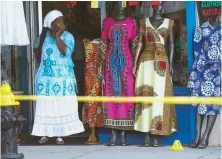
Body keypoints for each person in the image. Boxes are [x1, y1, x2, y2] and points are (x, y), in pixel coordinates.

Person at [32, 10, 84, 144]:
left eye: (62, 20)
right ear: (51, 23)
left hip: (63, 79)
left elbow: (65, 51)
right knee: (46, 106)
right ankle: (43, 134)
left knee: (61, 106)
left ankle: (60, 135)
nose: (61, 23)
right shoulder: (43, 37)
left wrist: (57, 36)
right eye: (58, 21)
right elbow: (36, 49)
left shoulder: (68, 36)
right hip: (46, 80)